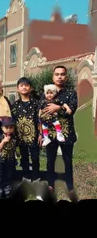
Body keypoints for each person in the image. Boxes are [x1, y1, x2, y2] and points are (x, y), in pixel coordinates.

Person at [43, 66, 78, 202]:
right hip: (51, 133)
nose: (59, 77)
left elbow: (72, 110)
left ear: (66, 77)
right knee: (50, 160)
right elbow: (43, 110)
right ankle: (50, 184)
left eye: (62, 74)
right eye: (57, 74)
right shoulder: (47, 92)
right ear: (53, 77)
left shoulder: (71, 93)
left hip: (67, 132)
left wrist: (59, 107)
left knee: (67, 160)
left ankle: (69, 185)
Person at [12, 77, 42, 183]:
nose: (24, 87)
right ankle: (26, 176)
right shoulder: (15, 105)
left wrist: (41, 134)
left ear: (30, 88)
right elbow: (12, 122)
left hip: (34, 136)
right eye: (21, 85)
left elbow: (40, 120)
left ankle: (36, 177)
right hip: (20, 137)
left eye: (26, 85)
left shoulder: (36, 104)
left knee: (35, 157)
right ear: (18, 88)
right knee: (24, 157)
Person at [0, 116, 16, 198]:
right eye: (6, 127)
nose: (9, 129)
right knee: (0, 175)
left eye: (11, 127)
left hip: (10, 160)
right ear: (2, 128)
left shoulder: (14, 137)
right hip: (1, 160)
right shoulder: (0, 137)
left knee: (9, 175)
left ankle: (7, 189)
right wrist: (3, 141)